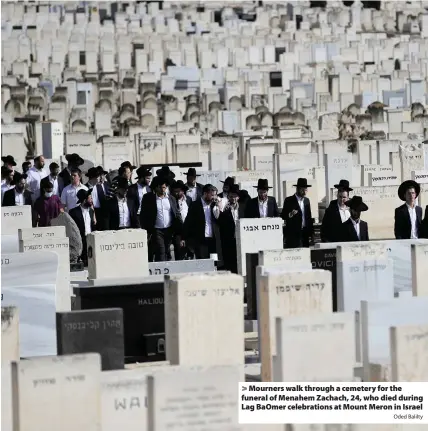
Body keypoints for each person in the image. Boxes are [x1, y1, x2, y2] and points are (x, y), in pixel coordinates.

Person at [140, 176, 183, 262]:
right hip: (157, 230)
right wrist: (146, 229)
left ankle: (165, 267)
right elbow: (143, 214)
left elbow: (176, 213)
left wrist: (181, 228)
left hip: (169, 229)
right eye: (160, 187)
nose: (163, 189)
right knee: (161, 249)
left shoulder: (171, 198)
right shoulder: (149, 198)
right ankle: (161, 270)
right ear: (156, 188)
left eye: (164, 187)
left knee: (166, 250)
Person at [183, 184, 219, 259]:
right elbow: (188, 223)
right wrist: (186, 239)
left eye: (215, 195)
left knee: (214, 263)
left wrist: (218, 206)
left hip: (213, 240)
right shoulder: (195, 205)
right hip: (200, 240)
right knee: (202, 263)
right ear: (205, 194)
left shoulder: (215, 205)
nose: (214, 198)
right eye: (212, 195)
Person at [214, 184, 243, 273]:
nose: (233, 198)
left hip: (241, 240)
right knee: (229, 263)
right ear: (228, 197)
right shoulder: (224, 209)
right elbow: (219, 222)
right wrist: (219, 208)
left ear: (238, 197)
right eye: (231, 196)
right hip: (228, 241)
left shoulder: (243, 208)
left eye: (235, 196)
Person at [281, 178, 314, 248]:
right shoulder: (289, 200)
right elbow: (283, 216)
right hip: (293, 235)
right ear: (297, 189)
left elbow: (308, 217)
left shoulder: (307, 200)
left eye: (306, 190)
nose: (305, 192)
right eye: (303, 190)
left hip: (305, 234)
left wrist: (311, 234)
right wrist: (290, 214)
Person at [69, 189, 97, 266]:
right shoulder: (74, 212)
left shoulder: (91, 211)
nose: (91, 200)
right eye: (90, 198)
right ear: (84, 200)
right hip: (79, 241)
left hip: (90, 239)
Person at [170, 180, 192, 260]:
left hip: (189, 230)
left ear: (182, 191)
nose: (176, 193)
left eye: (178, 191)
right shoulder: (172, 200)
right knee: (179, 253)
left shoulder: (189, 200)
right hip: (178, 231)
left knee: (190, 253)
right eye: (174, 191)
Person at [91, 166, 110, 230]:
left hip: (105, 211)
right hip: (95, 211)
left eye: (103, 175)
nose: (102, 177)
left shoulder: (108, 185)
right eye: (100, 175)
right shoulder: (93, 185)